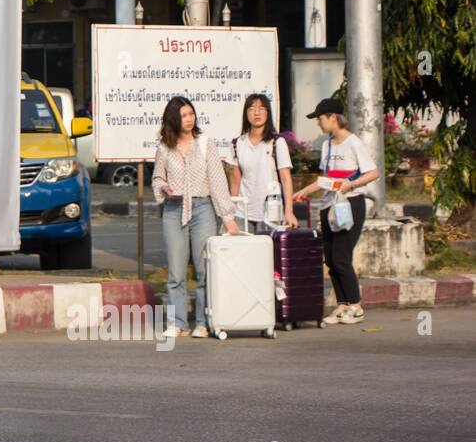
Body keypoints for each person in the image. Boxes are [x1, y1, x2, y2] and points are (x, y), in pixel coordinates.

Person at [152, 96, 241, 338]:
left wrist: (227, 215)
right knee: (176, 272)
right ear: (173, 119)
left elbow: (217, 181)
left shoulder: (205, 143)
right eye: (183, 115)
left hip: (203, 208)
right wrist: (165, 189)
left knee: (204, 269)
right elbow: (157, 178)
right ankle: (178, 322)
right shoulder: (164, 148)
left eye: (191, 114)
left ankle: (203, 321)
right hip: (173, 209)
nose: (188, 119)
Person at [292, 98, 380, 325]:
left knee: (342, 257)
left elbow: (373, 173)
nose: (319, 124)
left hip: (350, 205)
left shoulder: (354, 143)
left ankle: (356, 306)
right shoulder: (327, 144)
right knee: (330, 257)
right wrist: (305, 190)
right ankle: (342, 306)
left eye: (321, 119)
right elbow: (326, 179)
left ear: (333, 118)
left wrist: (351, 184)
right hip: (329, 205)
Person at [225, 93, 297, 232]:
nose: (257, 113)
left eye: (262, 108)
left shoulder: (277, 143)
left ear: (268, 113)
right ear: (246, 113)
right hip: (243, 211)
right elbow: (235, 180)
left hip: (271, 212)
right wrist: (231, 211)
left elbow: (286, 179)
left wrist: (289, 211)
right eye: (252, 109)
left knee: (268, 252)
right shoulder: (237, 143)